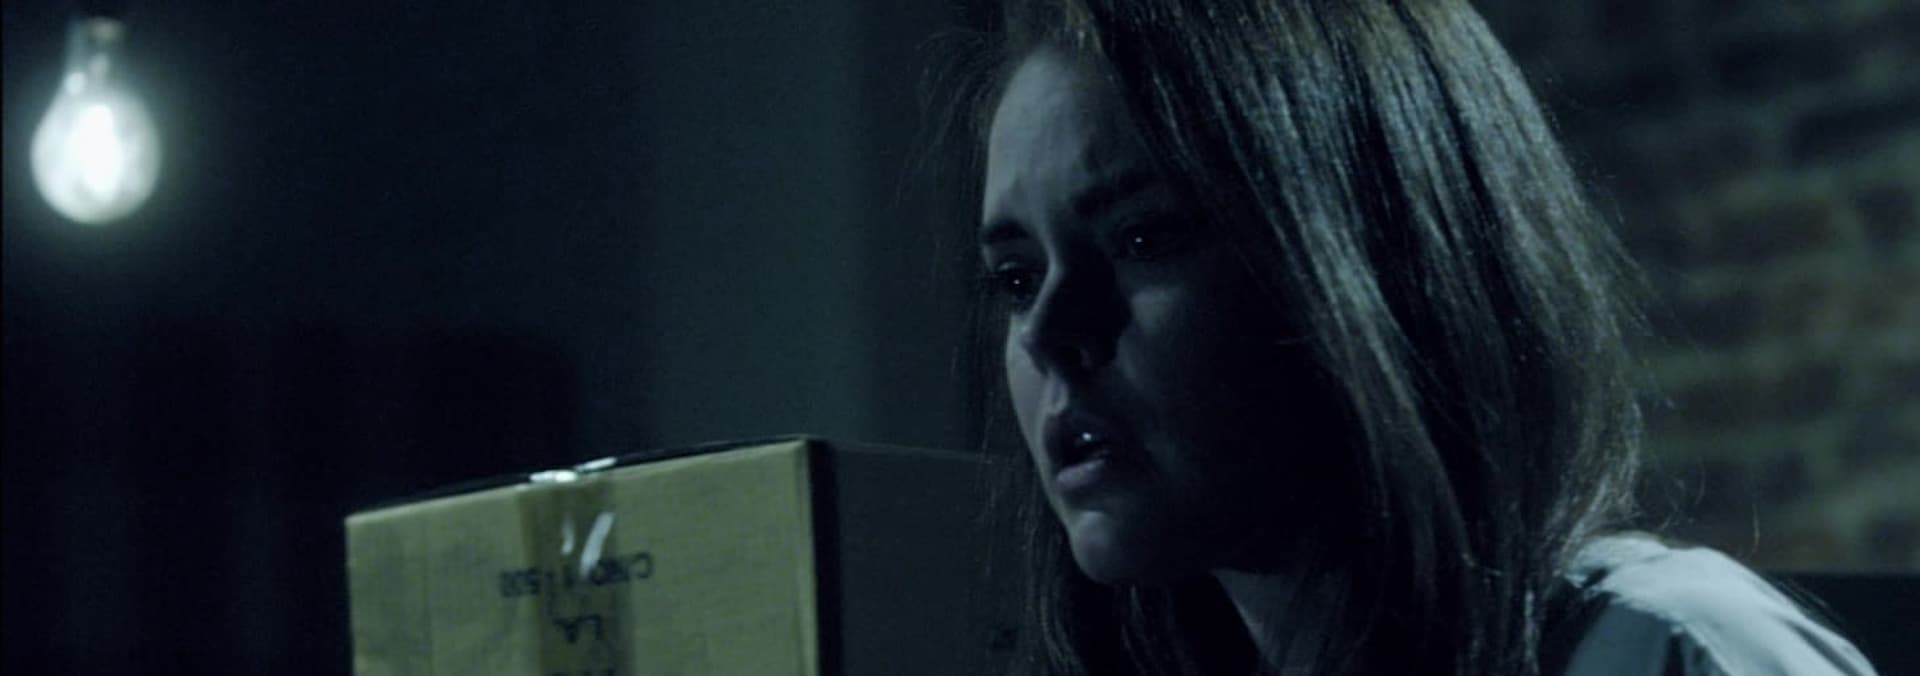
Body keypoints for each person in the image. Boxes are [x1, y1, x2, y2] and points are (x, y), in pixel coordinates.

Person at [958, 1, 1882, 674]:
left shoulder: (1665, 650)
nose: (1048, 330)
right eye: (1017, 278)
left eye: (1143, 238)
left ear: (1374, 252)